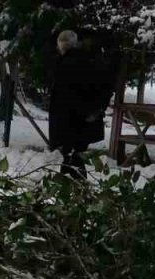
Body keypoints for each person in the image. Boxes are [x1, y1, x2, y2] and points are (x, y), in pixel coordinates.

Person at [48, 30, 106, 177]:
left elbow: (64, 97)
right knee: (75, 156)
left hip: (71, 121)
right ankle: (71, 188)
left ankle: (73, 189)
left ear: (62, 46)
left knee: (71, 157)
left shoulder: (65, 64)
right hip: (86, 119)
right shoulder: (89, 61)